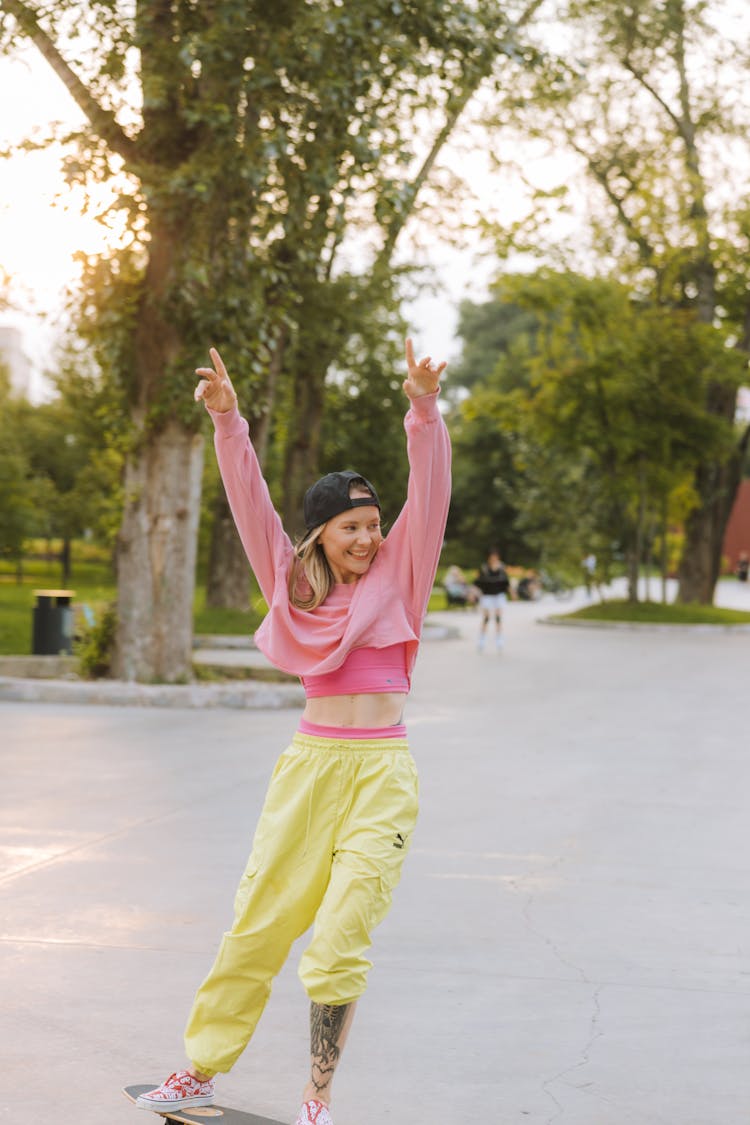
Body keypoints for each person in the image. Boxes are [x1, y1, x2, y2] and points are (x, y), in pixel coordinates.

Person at [135, 338, 451, 1125]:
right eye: (352, 526)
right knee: (259, 923)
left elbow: (432, 488)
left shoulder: (401, 573)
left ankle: (316, 1100)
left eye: (374, 524)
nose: (368, 537)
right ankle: (199, 1066)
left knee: (340, 938)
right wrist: (228, 421)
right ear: (319, 533)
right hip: (310, 769)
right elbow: (251, 501)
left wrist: (422, 409)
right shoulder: (290, 582)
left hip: (381, 776)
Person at [475, 549, 510, 652]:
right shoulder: (484, 568)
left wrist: (512, 592)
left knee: (498, 618)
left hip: (498, 596)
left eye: (496, 557)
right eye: (492, 557)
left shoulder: (502, 568)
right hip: (487, 596)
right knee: (486, 618)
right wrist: (473, 593)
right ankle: (482, 639)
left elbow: (506, 583)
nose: (494, 559)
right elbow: (478, 582)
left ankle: (499, 639)